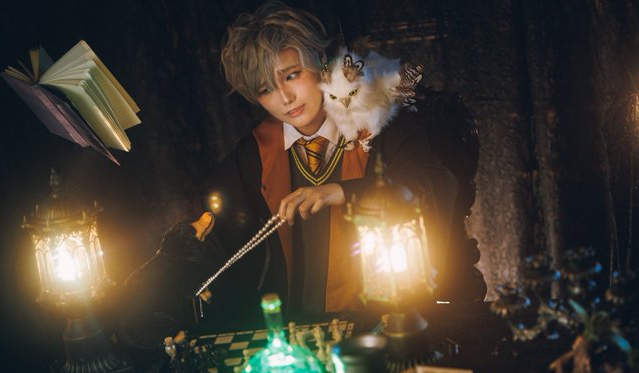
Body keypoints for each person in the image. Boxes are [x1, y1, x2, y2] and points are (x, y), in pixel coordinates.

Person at [124, 1, 484, 334]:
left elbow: (431, 184)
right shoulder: (256, 152)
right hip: (299, 329)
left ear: (319, 64)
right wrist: (176, 257)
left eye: (292, 75)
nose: (285, 98)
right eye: (266, 89)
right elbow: (216, 226)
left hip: (392, 319)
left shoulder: (381, 123)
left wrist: (340, 192)